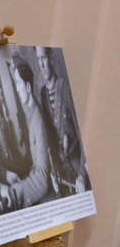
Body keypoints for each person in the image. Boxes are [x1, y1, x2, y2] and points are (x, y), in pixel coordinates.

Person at [35, 46, 87, 196]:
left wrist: (82, 174)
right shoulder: (42, 96)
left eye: (43, 58)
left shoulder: (66, 88)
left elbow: (82, 132)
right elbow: (50, 142)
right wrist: (52, 171)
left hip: (77, 167)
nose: (41, 65)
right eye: (38, 60)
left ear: (51, 57)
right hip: (62, 173)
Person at [6, 53, 53, 210]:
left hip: (49, 198)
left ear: (27, 87)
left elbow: (43, 178)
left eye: (19, 84)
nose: (17, 89)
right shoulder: (31, 115)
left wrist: (18, 191)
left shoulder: (38, 120)